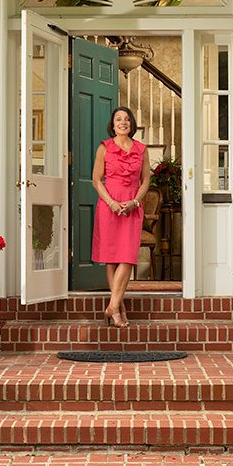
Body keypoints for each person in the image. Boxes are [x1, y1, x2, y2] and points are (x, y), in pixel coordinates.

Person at [91, 106, 151, 328]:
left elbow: (146, 181)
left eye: (127, 119)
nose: (123, 122)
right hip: (109, 205)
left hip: (132, 205)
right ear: (113, 124)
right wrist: (112, 203)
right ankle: (117, 309)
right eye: (118, 119)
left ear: (131, 123)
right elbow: (96, 180)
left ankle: (112, 306)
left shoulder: (142, 150)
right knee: (111, 257)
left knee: (127, 257)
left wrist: (135, 201)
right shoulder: (104, 148)